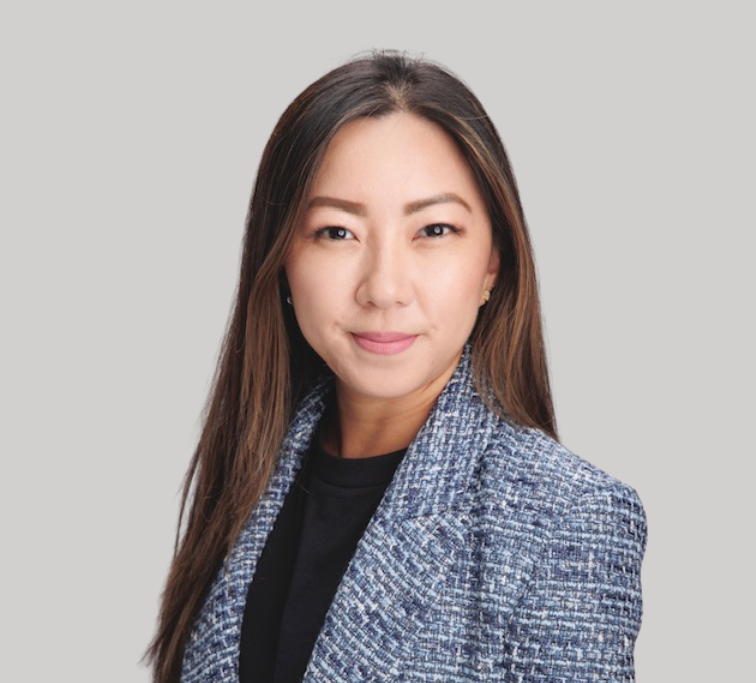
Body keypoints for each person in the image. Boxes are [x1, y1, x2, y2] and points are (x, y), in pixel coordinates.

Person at [145, 50, 647, 683]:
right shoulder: (249, 475)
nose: (384, 288)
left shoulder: (566, 518)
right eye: (337, 232)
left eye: (433, 231)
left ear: (492, 264)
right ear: (282, 261)